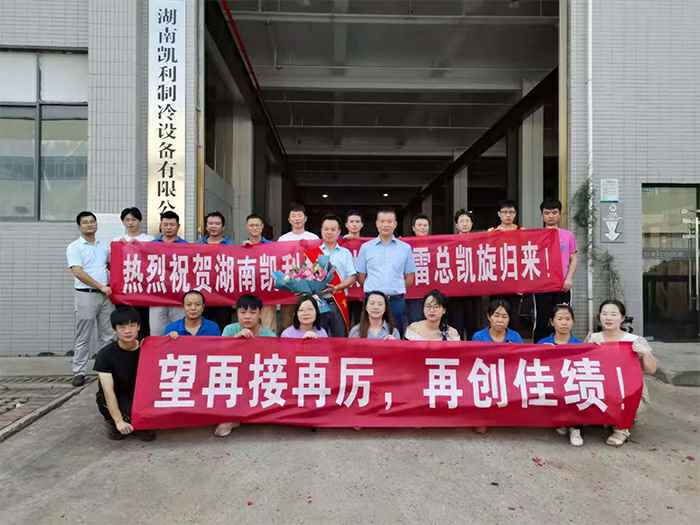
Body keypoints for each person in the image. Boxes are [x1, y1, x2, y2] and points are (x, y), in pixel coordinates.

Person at [585, 300, 657, 447]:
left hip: (629, 392)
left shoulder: (634, 340)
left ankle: (621, 429)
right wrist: (589, 350)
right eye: (604, 314)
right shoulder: (593, 338)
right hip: (603, 388)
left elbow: (651, 370)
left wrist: (645, 353)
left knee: (626, 407)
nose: (608, 318)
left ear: (622, 318)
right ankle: (607, 419)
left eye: (613, 314)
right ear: (599, 317)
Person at [215, 294, 275, 438]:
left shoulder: (269, 335)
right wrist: (235, 340)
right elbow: (219, 355)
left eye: (252, 312)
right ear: (237, 313)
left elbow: (274, 361)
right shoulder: (230, 329)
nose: (247, 316)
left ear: (260, 313)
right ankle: (230, 418)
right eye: (243, 312)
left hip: (258, 376)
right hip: (235, 375)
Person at [66, 211, 115, 387]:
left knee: (107, 335)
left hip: (106, 296)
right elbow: (78, 272)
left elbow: (113, 265)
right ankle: (79, 372)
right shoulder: (74, 247)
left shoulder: (104, 246)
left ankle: (104, 370)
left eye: (92, 221)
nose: (89, 224)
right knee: (83, 336)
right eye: (85, 222)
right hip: (86, 294)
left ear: (96, 224)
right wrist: (100, 286)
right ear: (79, 226)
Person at [94, 308, 155, 441]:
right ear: (114, 329)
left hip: (139, 394)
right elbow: (108, 391)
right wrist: (118, 421)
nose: (128, 331)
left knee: (148, 433)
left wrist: (173, 337)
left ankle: (135, 419)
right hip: (117, 394)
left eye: (132, 325)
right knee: (119, 431)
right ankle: (113, 420)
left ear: (138, 327)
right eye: (122, 327)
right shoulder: (105, 355)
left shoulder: (149, 348)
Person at [356, 208, 416, 335]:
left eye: (389, 221)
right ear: (377, 224)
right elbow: (361, 277)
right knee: (369, 334)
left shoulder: (405, 248)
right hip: (372, 301)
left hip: (396, 301)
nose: (386, 225)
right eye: (382, 221)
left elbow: (410, 278)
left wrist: (394, 287)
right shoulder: (366, 247)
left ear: (395, 224)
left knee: (395, 335)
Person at [536, 304, 584, 446]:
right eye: (560, 319)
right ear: (552, 322)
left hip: (571, 384)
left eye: (568, 319)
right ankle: (561, 421)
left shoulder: (580, 345)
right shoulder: (542, 343)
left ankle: (575, 428)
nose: (564, 323)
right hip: (551, 382)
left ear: (573, 322)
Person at [532, 199, 579, 342]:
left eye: (554, 212)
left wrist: (569, 278)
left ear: (560, 214)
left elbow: (573, 258)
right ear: (542, 215)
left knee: (562, 318)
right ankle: (540, 350)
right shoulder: (535, 235)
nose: (551, 216)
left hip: (562, 284)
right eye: (547, 213)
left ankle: (562, 349)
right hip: (542, 286)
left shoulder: (568, 235)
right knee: (542, 319)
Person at [488, 199, 528, 337]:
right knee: (495, 316)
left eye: (511, 212)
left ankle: (512, 344)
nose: (508, 215)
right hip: (497, 282)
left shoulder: (522, 231)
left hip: (515, 281)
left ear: (515, 214)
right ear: (499, 214)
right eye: (505, 212)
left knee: (513, 317)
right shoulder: (492, 232)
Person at [277, 204, 320, 331]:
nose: (297, 219)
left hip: (308, 286)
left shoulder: (313, 238)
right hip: (289, 286)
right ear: (289, 220)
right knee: (287, 321)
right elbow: (278, 262)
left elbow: (318, 262)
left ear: (305, 218)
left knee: (309, 320)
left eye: (299, 216)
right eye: (294, 216)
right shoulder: (283, 239)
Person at [113, 207, 153, 339]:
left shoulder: (149, 239)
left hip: (143, 288)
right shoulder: (117, 240)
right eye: (127, 220)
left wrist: (137, 246)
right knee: (124, 320)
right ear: (123, 222)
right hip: (124, 289)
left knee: (143, 321)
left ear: (140, 221)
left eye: (134, 219)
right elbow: (112, 263)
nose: (130, 223)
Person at [318, 214, 357, 337]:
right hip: (319, 301)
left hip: (339, 300)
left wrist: (337, 287)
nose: (329, 232)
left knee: (340, 337)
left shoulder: (345, 253)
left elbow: (353, 276)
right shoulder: (314, 253)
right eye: (326, 229)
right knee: (319, 336)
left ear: (339, 232)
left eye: (333, 229)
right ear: (321, 230)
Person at [150, 211, 187, 336]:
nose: (168, 227)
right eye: (165, 224)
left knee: (179, 332)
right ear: (160, 226)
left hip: (178, 295)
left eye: (172, 225)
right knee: (156, 331)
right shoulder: (151, 245)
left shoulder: (186, 246)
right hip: (157, 294)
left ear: (178, 226)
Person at [448, 209, 483, 340]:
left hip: (474, 291)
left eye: (467, 221)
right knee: (456, 327)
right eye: (461, 221)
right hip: (455, 293)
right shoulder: (449, 242)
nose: (464, 224)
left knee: (473, 327)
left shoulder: (479, 242)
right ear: (456, 225)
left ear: (472, 224)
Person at [198, 211, 234, 331]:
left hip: (223, 294)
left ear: (223, 227)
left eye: (217, 224)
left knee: (223, 327)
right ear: (206, 226)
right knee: (203, 328)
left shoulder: (231, 246)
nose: (213, 226)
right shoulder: (197, 245)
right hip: (203, 293)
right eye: (210, 223)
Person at [241, 213, 276, 332]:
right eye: (251, 225)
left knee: (268, 328)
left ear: (262, 227)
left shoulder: (272, 246)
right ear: (247, 227)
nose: (254, 228)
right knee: (248, 326)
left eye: (257, 225)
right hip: (248, 292)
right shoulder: (240, 248)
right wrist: (244, 250)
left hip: (267, 292)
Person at [406, 214, 431, 324]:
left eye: (425, 225)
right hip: (413, 293)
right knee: (415, 324)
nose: (422, 227)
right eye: (419, 225)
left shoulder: (436, 244)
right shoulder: (405, 246)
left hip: (431, 293)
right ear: (413, 228)